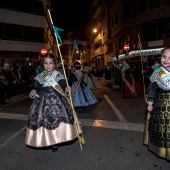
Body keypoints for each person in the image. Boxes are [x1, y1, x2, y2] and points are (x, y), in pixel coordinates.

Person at [25, 53, 83, 152]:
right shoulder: (40, 76)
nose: (48, 65)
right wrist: (33, 92)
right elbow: (36, 88)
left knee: (58, 121)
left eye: (50, 63)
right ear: (43, 64)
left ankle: (56, 140)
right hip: (43, 103)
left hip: (58, 102)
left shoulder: (59, 75)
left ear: (54, 63)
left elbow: (63, 86)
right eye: (46, 63)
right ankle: (50, 141)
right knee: (45, 121)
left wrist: (67, 89)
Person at [144, 47, 170, 160]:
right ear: (160, 57)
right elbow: (153, 90)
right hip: (162, 106)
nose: (166, 60)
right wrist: (150, 103)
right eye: (164, 56)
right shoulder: (158, 72)